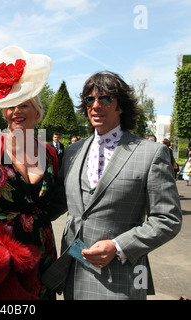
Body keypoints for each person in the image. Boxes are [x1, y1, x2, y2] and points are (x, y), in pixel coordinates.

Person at [42, 71, 182, 300]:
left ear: (121, 107)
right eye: (90, 99)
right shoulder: (73, 152)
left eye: (105, 99)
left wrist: (118, 246)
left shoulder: (151, 153)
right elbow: (57, 203)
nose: (95, 105)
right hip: (74, 274)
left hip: (121, 276)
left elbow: (168, 219)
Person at [0, 46, 59, 300]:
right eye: (11, 106)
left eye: (24, 105)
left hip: (42, 251)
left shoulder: (51, 155)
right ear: (4, 113)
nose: (16, 112)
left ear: (37, 113)